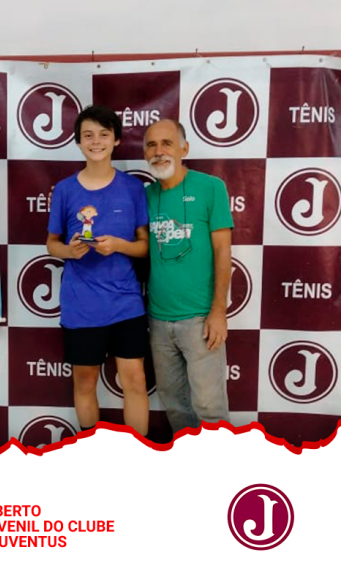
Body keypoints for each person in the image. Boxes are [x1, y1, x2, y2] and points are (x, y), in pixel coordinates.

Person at [47, 105, 150, 435]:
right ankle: (91, 454)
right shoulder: (65, 190)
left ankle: (139, 454)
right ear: (78, 142)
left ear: (116, 140)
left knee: (135, 380)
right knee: (85, 381)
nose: (96, 141)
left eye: (104, 134)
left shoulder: (133, 188)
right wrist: (70, 251)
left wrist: (118, 245)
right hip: (81, 305)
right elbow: (52, 244)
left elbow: (144, 246)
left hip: (126, 302)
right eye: (88, 135)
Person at [143, 119, 233, 434]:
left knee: (209, 406)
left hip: (200, 318)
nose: (159, 151)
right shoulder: (145, 196)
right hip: (158, 320)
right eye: (151, 145)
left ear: (184, 149)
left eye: (167, 143)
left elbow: (223, 252)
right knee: (175, 405)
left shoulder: (210, 188)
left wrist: (218, 311)